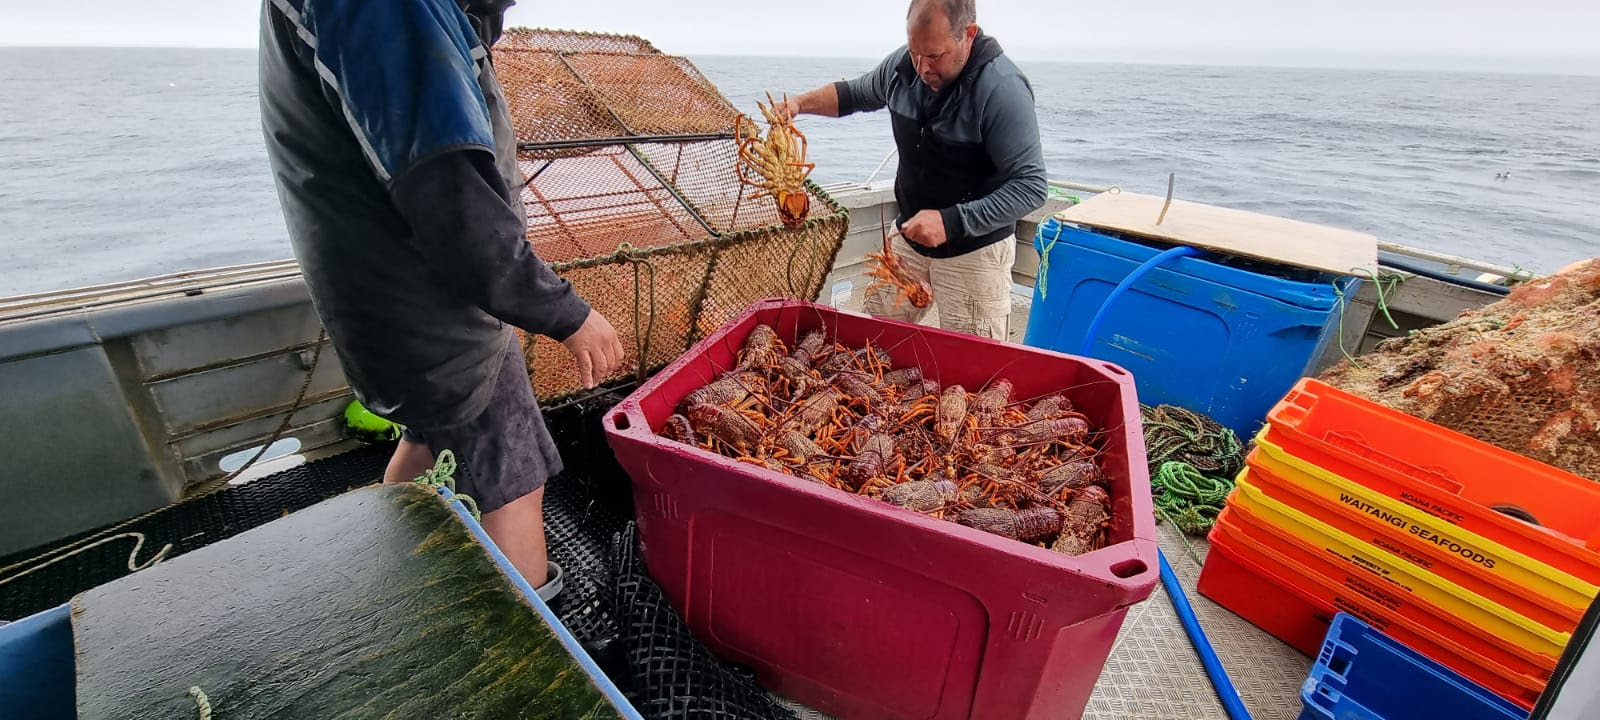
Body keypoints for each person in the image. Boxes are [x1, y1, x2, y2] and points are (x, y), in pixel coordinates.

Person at [257, 0, 623, 597]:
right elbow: (453, 200)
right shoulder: (393, 9)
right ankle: (530, 645)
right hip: (432, 308)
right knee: (511, 476)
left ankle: (387, 578)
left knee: (429, 437)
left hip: (401, 303)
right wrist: (567, 313)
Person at [779, 0, 1047, 340]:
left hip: (974, 253)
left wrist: (953, 221)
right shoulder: (902, 67)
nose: (922, 67)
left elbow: (1032, 185)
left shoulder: (1002, 88)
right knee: (873, 341)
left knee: (974, 364)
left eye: (935, 55)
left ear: (969, 34)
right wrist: (799, 104)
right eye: (914, 52)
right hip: (908, 238)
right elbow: (854, 94)